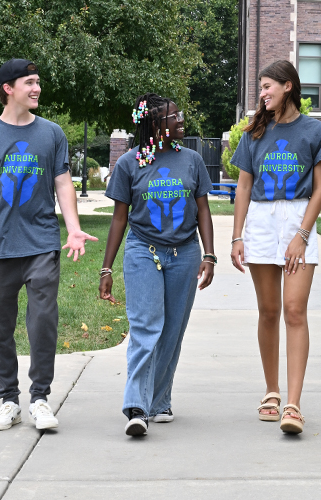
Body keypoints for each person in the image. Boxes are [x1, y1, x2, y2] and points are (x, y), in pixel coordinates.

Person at [0, 58, 97, 431]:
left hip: (42, 242)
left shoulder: (51, 134)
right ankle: (8, 400)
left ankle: (40, 398)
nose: (37, 88)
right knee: (0, 328)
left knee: (42, 321)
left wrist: (73, 227)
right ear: (8, 88)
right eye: (30, 82)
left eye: (38, 82)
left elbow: (63, 184)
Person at [99, 94, 215, 437]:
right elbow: (119, 219)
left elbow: (203, 210)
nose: (180, 121)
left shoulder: (192, 161)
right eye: (173, 117)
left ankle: (160, 400)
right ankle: (136, 405)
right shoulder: (130, 163)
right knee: (146, 327)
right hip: (142, 250)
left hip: (185, 252)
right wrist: (106, 269)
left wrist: (209, 254)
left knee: (172, 331)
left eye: (180, 115)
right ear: (152, 124)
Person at [229, 60, 321, 434]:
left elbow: (320, 188)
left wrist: (301, 235)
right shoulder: (254, 132)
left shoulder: (315, 131)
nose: (263, 93)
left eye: (268, 86)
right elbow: (243, 187)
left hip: (297, 219)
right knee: (268, 311)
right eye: (261, 87)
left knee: (294, 310)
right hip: (259, 220)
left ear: (288, 86)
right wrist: (237, 235)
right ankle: (271, 391)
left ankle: (293, 404)